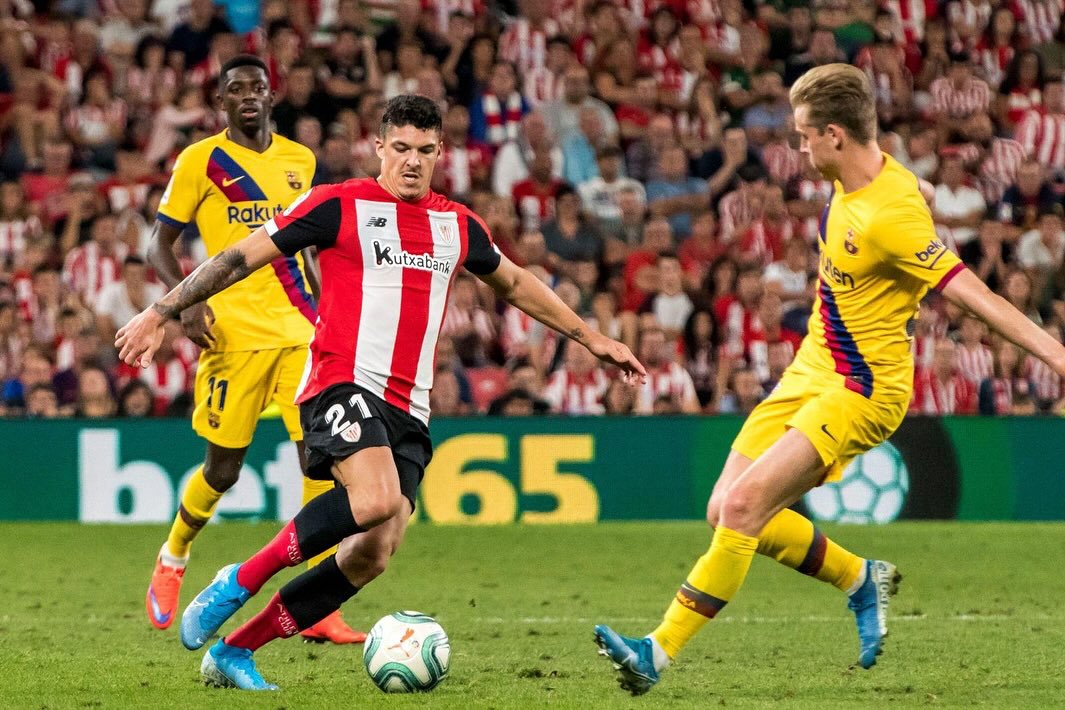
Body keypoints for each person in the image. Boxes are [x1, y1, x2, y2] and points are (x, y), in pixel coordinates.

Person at [116, 95, 645, 691]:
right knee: (373, 501)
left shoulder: (457, 224)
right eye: (401, 149)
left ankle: (237, 650)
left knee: (373, 551)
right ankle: (238, 580)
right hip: (341, 380)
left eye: (425, 151)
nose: (412, 162)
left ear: (441, 152)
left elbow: (517, 283)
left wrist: (593, 337)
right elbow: (239, 256)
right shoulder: (339, 205)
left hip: (408, 408)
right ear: (379, 148)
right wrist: (162, 310)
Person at [593, 64, 1065, 695]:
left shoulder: (889, 217)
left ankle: (658, 651)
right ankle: (858, 577)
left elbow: (976, 296)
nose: (799, 149)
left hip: (862, 388)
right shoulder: (871, 172)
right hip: (814, 365)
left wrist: (1055, 354)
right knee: (722, 510)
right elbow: (913, 189)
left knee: (742, 507)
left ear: (837, 135)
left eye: (805, 136)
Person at [143, 55, 365, 645]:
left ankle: (317, 608)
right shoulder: (201, 161)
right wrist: (186, 303)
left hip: (299, 333)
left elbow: (311, 244)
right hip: (230, 338)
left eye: (257, 87)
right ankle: (174, 555)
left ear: (273, 96)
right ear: (220, 102)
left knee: (320, 462)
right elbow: (157, 243)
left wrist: (330, 315)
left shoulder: (301, 160)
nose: (247, 96)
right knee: (224, 469)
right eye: (235, 89)